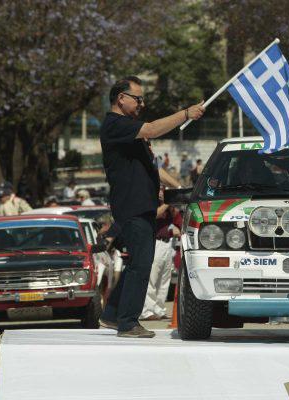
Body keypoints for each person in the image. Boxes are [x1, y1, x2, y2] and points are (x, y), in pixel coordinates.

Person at [98, 75, 204, 338]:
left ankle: (112, 315)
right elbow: (153, 129)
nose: (141, 103)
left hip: (140, 204)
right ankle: (128, 323)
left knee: (138, 261)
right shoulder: (115, 124)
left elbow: (154, 168)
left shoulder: (129, 129)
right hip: (131, 205)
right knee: (143, 262)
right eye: (138, 98)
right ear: (121, 98)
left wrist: (179, 186)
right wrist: (186, 113)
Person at [140, 186, 180, 320]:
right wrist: (166, 203)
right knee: (152, 277)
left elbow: (176, 216)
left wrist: (171, 203)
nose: (162, 193)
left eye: (164, 191)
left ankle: (159, 309)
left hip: (167, 244)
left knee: (164, 278)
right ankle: (147, 311)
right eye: (160, 191)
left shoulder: (168, 207)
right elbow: (155, 214)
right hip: (155, 242)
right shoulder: (151, 203)